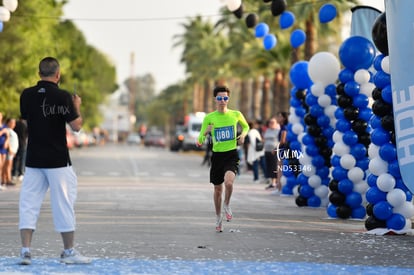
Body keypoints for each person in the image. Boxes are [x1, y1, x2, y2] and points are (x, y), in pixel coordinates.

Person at [18, 57, 91, 265]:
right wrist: (76, 106)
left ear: (39, 73)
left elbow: (26, 121)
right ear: (57, 75)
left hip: (34, 158)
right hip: (57, 160)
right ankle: (68, 252)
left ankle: (25, 251)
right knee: (64, 204)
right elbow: (76, 126)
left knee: (28, 204)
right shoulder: (63, 96)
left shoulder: (27, 95)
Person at [196, 86, 249, 233]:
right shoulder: (209, 118)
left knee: (229, 182)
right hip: (217, 156)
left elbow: (246, 127)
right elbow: (199, 141)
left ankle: (227, 204)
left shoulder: (236, 114)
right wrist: (205, 133)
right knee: (218, 189)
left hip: (231, 154)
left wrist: (243, 135)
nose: (222, 101)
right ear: (215, 99)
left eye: (225, 98)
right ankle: (218, 217)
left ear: (228, 99)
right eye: (219, 98)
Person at [272, 111, 289, 194]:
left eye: (280, 116)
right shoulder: (282, 127)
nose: (278, 118)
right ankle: (279, 187)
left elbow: (282, 140)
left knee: (280, 170)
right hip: (282, 150)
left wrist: (275, 148)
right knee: (279, 169)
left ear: (284, 118)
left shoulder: (284, 128)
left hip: (282, 150)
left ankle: (280, 188)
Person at [263, 117, 281, 190]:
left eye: (273, 122)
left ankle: (275, 182)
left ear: (276, 124)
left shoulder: (278, 131)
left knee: (274, 166)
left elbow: (280, 141)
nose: (271, 124)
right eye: (270, 122)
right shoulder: (267, 130)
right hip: (267, 150)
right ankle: (271, 182)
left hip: (274, 151)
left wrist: (276, 148)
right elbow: (264, 138)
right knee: (269, 166)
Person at [2, 118, 19, 187]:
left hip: (13, 152)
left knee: (10, 165)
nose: (13, 124)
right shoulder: (7, 130)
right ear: (8, 123)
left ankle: (7, 179)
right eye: (12, 122)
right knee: (7, 166)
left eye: (14, 123)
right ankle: (6, 180)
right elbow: (7, 140)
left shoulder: (12, 130)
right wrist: (10, 149)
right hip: (9, 151)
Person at [12, 117, 28, 182]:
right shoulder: (25, 125)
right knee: (22, 159)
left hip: (16, 143)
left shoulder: (16, 124)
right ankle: (21, 173)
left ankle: (15, 173)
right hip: (23, 143)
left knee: (16, 159)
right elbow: (27, 134)